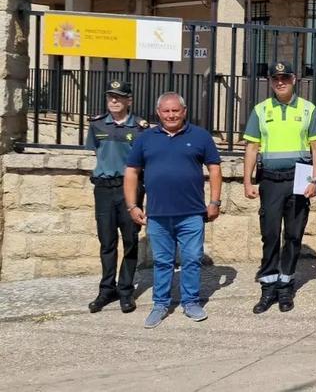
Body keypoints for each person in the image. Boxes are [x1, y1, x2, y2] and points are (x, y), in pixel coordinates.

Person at [124, 92, 222, 329]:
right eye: (166, 111)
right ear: (158, 113)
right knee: (162, 262)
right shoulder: (145, 138)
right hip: (157, 215)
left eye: (175, 110)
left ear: (184, 111)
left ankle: (190, 302)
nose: (171, 115)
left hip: (191, 214)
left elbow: (215, 169)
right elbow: (131, 173)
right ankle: (160, 304)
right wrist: (132, 205)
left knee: (191, 259)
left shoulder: (200, 136)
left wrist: (215, 202)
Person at [243, 61, 316, 314]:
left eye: (285, 77)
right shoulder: (260, 109)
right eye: (276, 78)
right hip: (269, 180)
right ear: (270, 81)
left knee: (293, 234)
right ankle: (268, 286)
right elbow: (252, 147)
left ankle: (286, 283)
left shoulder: (308, 109)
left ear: (295, 79)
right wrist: (247, 180)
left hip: (298, 179)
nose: (281, 82)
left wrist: (315, 180)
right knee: (269, 234)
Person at [85, 80, 150, 314]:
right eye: (110, 96)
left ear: (128, 100)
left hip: (129, 189)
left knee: (131, 239)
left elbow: (145, 162)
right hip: (103, 188)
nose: (114, 100)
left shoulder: (140, 128)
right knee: (107, 241)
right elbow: (95, 152)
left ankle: (125, 290)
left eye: (119, 97)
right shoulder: (97, 124)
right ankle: (106, 289)